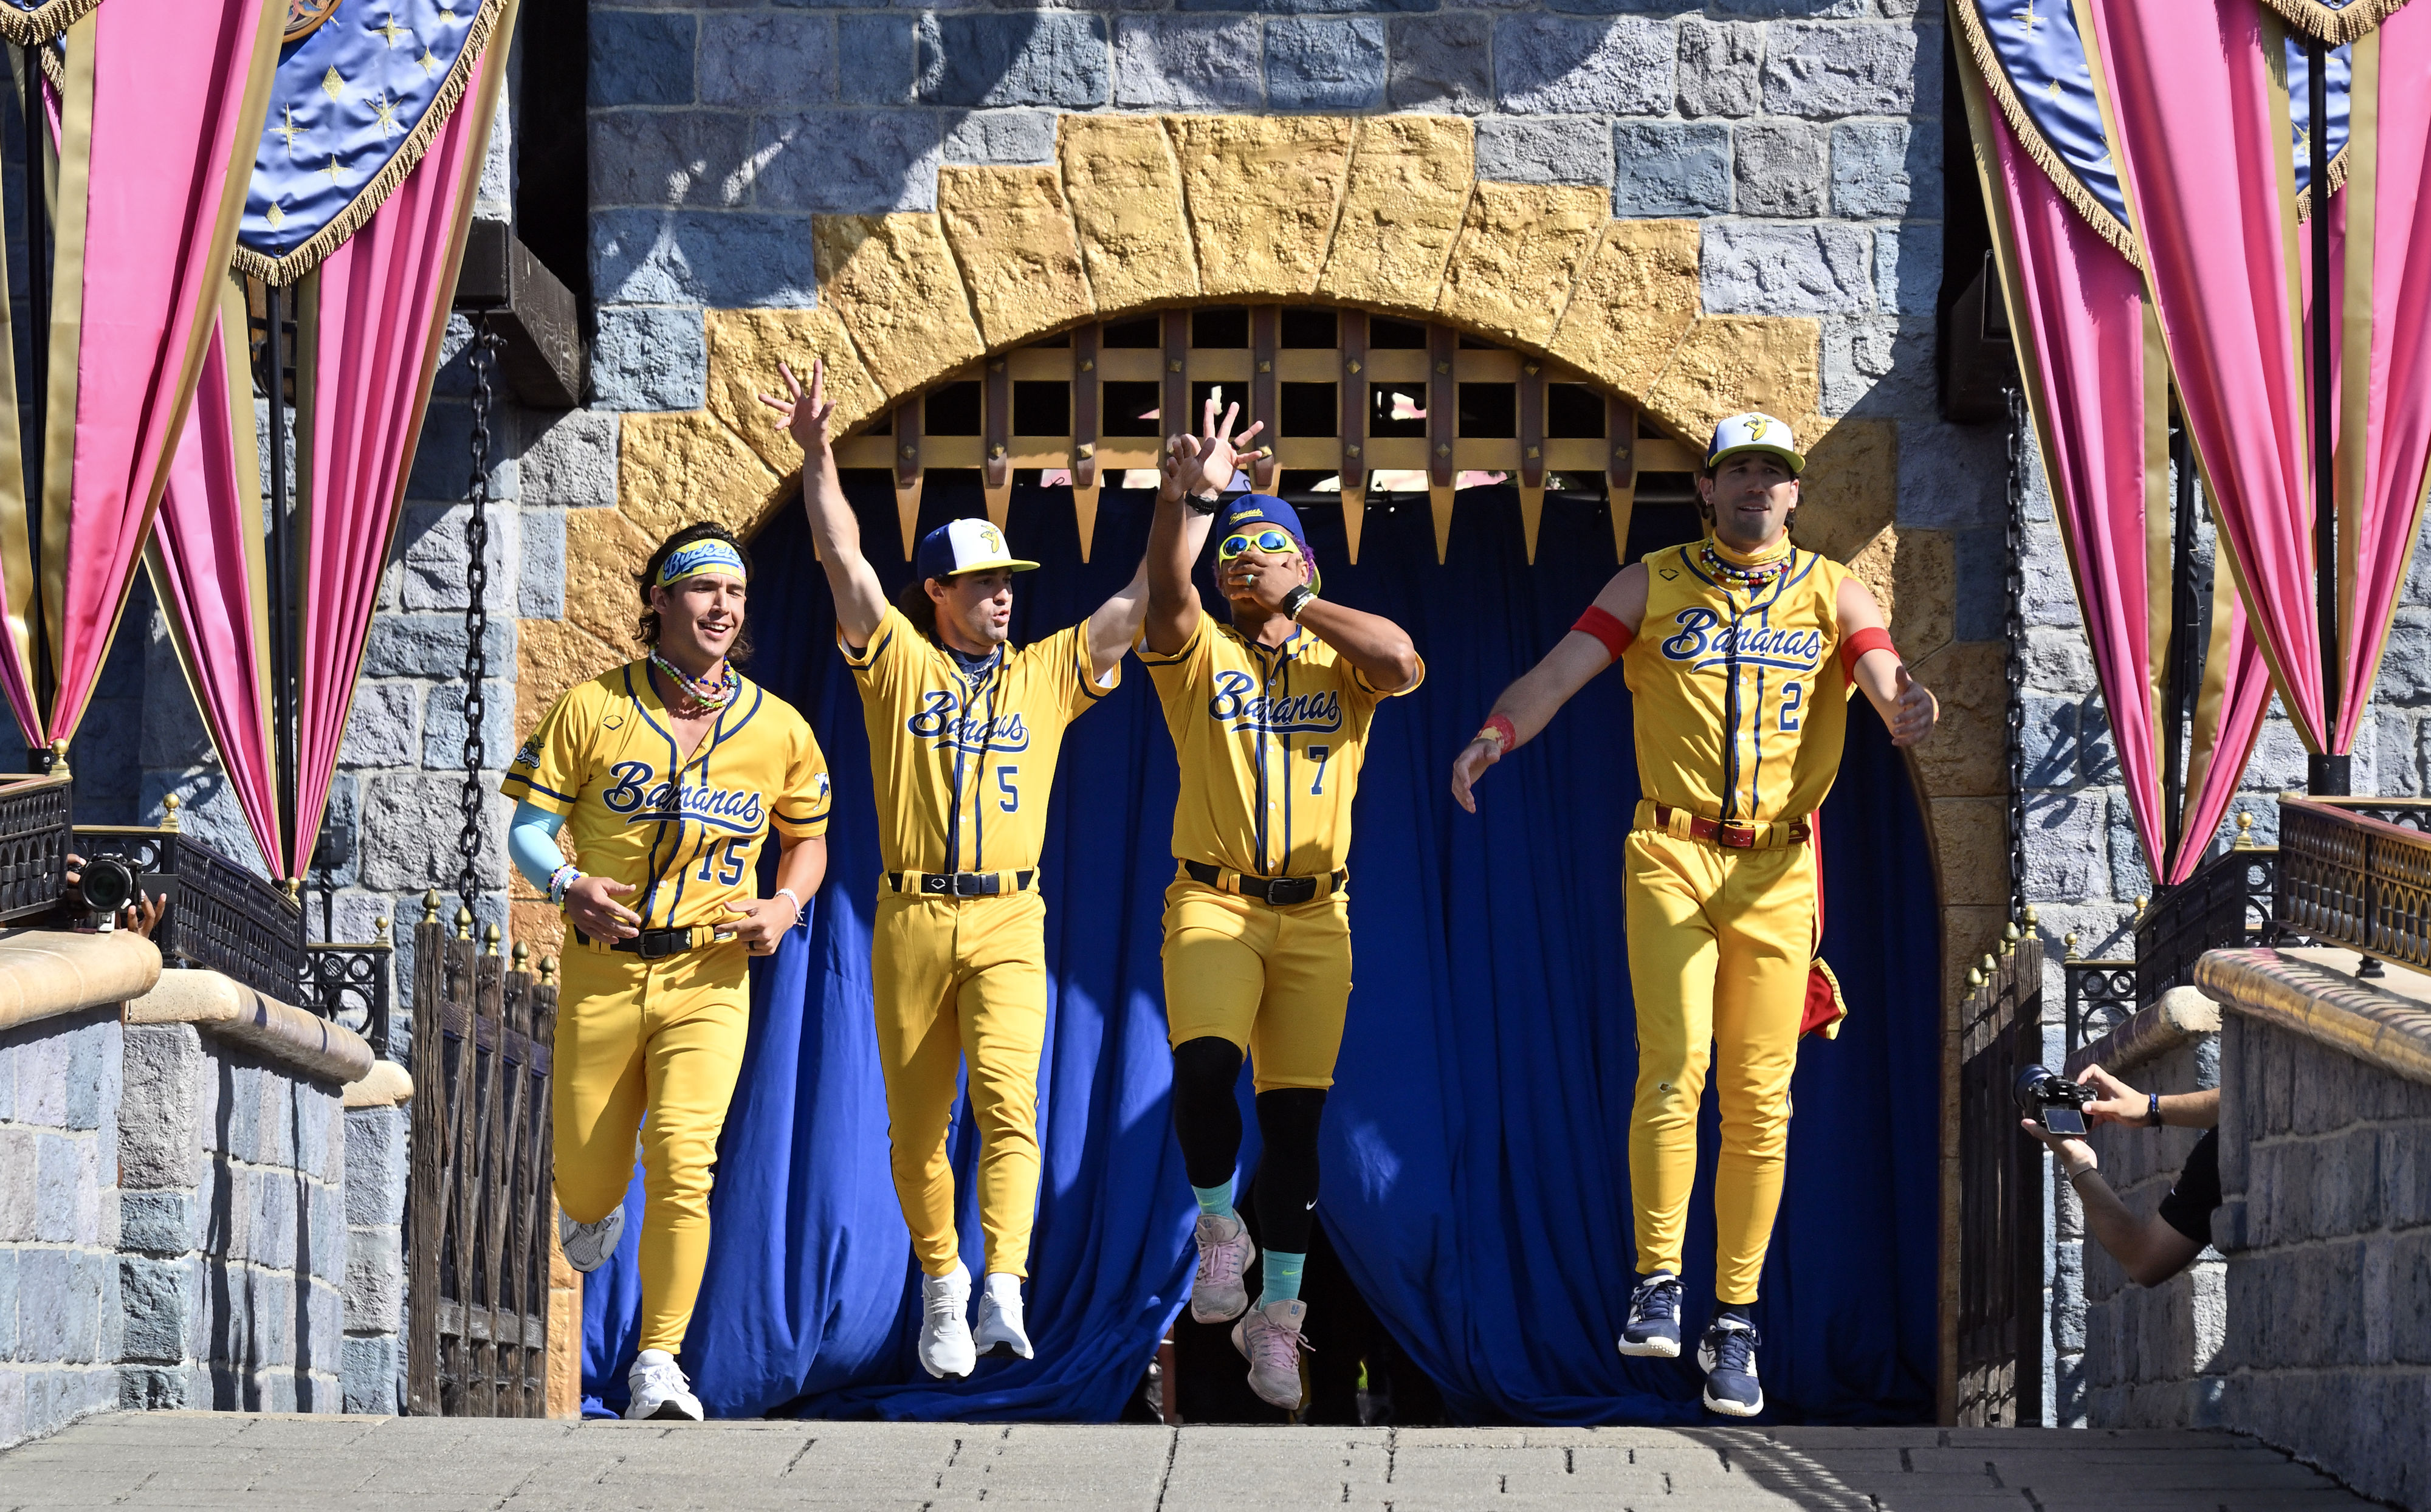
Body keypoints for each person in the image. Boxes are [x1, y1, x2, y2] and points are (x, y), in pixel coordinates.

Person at [1447, 412, 1939, 1417]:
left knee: (1763, 1099)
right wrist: (1498, 731)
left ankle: (1736, 1318)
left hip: (1777, 865)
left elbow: (1883, 667)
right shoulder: (1652, 580)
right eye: (1738, 472)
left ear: (1795, 492)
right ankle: (1659, 1277)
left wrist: (1903, 703)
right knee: (1674, 1066)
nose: (1756, 487)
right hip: (1670, 850)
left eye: (1774, 473)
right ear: (1707, 489)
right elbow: (1557, 673)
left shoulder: (1828, 589)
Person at [762, 360, 1222, 1381]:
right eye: (983, 583)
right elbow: (843, 557)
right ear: (937, 593)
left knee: (1013, 1104)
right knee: (920, 1124)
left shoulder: (1049, 671)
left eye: (1010, 582)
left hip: (1013, 918)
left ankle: (1003, 1281)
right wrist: (818, 453)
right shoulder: (897, 660)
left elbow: (1151, 594)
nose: (1005, 596)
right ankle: (942, 1279)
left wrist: (1191, 502)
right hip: (915, 917)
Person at [501, 521, 832, 1421]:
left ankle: (659, 1361)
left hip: (710, 975)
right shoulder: (593, 707)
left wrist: (785, 904)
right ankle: (589, 1202)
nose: (721, 606)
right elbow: (528, 831)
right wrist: (564, 881)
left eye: (733, 591)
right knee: (589, 1182)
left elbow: (808, 839)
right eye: (700, 589)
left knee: (687, 1162)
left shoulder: (778, 727)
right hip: (606, 972)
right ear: (659, 600)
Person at [1138, 419, 1423, 1411]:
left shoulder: (1338, 657)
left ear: (1304, 562)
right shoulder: (1199, 654)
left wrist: (1299, 600)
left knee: (1296, 1121)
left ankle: (1281, 1317)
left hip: (1316, 917)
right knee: (1206, 1068)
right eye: (1235, 555)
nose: (1244, 565)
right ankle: (1221, 1226)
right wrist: (1189, 496)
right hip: (1216, 899)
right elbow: (1166, 595)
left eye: (1267, 549)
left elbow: (1398, 658)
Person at [2023, 1067, 2221, 1287]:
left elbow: (2146, 1260)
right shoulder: (2225, 1146)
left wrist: (2079, 1165)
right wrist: (2151, 1108)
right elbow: (2238, 1099)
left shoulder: (2220, 1154)